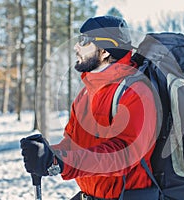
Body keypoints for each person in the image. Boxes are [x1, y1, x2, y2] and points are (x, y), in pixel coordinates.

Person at [20, 15, 159, 200]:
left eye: (84, 41)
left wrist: (63, 162)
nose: (76, 47)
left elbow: (125, 154)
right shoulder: (86, 94)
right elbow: (73, 144)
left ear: (105, 51)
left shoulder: (136, 91)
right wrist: (48, 155)